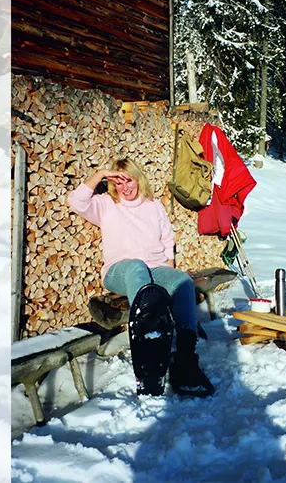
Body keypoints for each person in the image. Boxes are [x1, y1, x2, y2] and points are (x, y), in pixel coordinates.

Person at [68, 157, 215, 398]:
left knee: (183, 282)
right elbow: (75, 200)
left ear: (139, 179)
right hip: (120, 271)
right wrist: (103, 173)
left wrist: (171, 273)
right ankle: (148, 352)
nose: (125, 188)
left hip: (155, 268)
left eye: (130, 181)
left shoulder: (154, 206)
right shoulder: (106, 205)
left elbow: (167, 241)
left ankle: (186, 359)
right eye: (119, 182)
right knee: (136, 267)